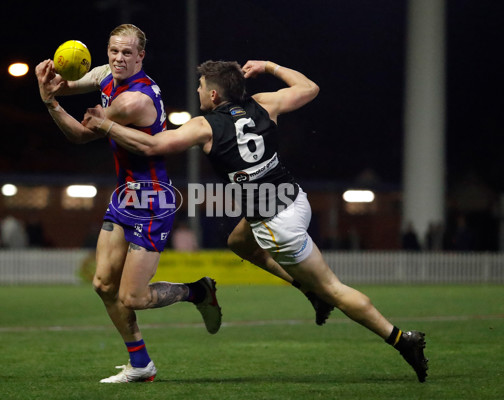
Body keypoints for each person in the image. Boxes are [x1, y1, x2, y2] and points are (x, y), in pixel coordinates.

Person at [82, 59, 429, 382]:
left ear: (214, 93)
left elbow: (151, 147)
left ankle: (401, 339)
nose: (199, 91)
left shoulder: (204, 126)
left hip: (276, 224)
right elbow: (310, 88)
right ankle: (310, 290)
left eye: (202, 86)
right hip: (293, 198)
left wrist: (107, 125)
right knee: (238, 242)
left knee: (334, 289)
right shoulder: (264, 103)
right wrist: (271, 66)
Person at [35, 24, 222, 383]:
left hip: (153, 201)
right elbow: (80, 82)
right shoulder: (108, 74)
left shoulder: (133, 101)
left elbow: (77, 135)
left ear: (141, 56)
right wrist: (58, 81)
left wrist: (49, 100)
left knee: (132, 297)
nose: (118, 59)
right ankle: (141, 364)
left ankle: (198, 291)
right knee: (104, 285)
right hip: (125, 194)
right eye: (113, 51)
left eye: (127, 53)